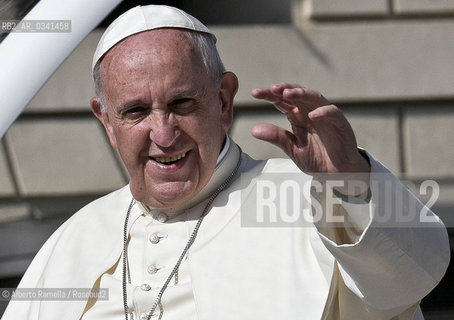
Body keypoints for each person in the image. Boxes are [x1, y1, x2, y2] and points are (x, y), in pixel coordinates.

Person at [2, 5, 449, 320]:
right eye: (135, 112)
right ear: (107, 122)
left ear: (223, 101)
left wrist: (352, 184)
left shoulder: (300, 197)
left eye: (182, 103)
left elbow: (415, 275)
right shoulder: (73, 240)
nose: (163, 134)